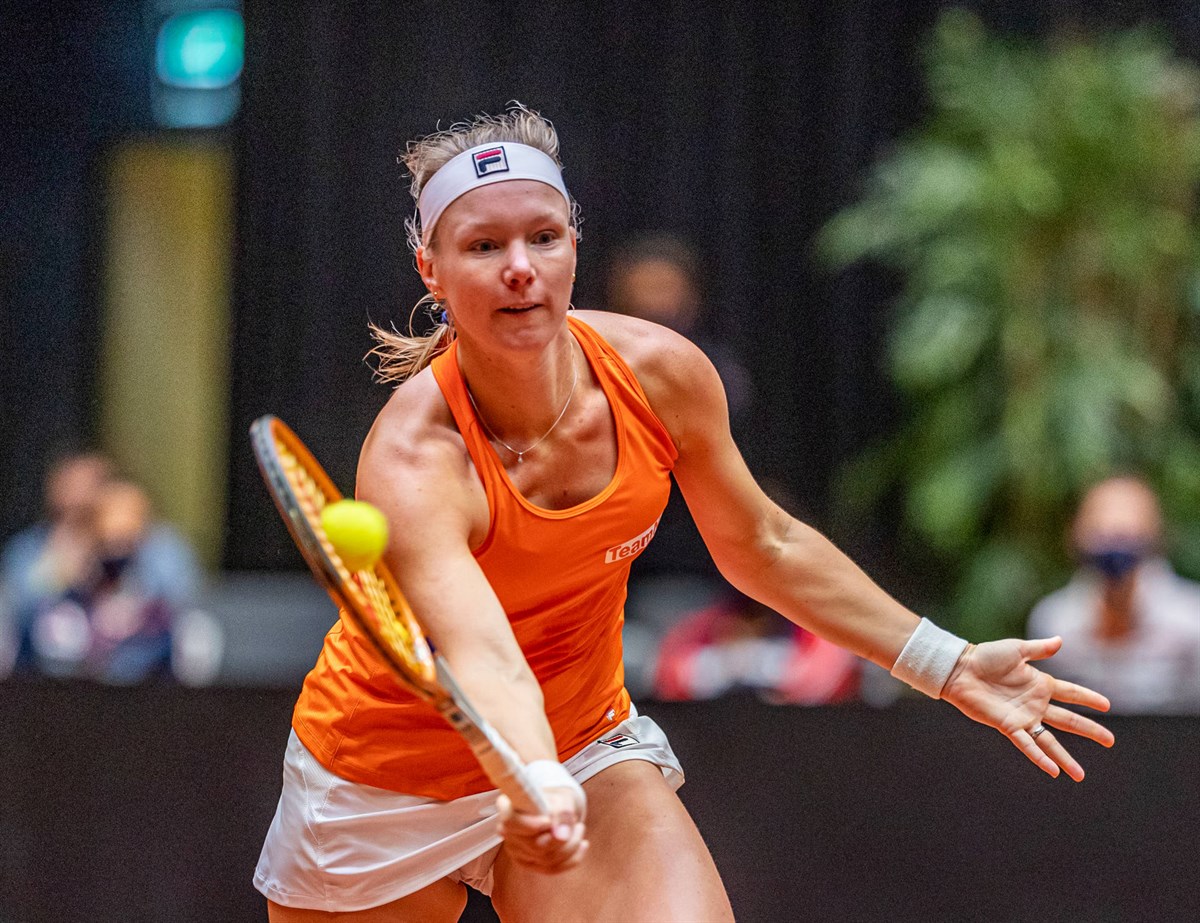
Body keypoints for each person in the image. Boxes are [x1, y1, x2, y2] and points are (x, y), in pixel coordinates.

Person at [253, 104, 1114, 922]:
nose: (521, 266)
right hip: (382, 781)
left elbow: (764, 541)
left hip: (583, 745)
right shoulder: (415, 458)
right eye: (484, 245)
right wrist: (533, 777)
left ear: (574, 245)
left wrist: (944, 662)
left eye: (543, 236)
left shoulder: (661, 374)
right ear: (431, 270)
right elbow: (487, 654)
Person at [1028, 476, 1200, 714]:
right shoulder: (1054, 621)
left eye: (1127, 533)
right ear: (1076, 533)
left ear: (1156, 534)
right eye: (1102, 528)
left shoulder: (1191, 620)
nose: (1114, 534)